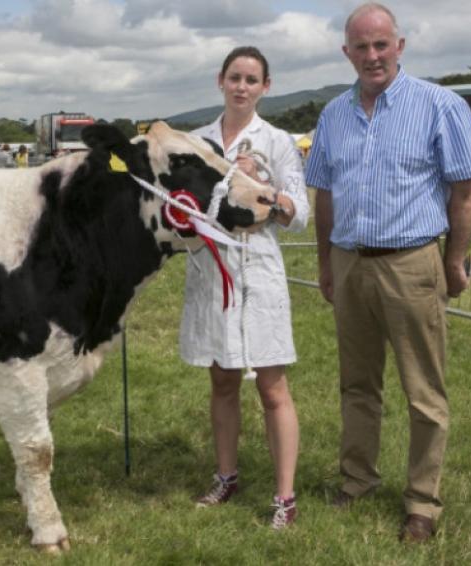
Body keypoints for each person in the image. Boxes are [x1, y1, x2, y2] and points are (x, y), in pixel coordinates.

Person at [305, 3, 471, 543]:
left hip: (411, 263)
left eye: (381, 44)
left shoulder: (440, 105)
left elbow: (466, 187)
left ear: (399, 46)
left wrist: (453, 259)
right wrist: (325, 263)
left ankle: (423, 502)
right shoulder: (333, 114)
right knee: (357, 383)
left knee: (423, 389)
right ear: (346, 53)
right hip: (350, 261)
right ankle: (357, 478)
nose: (372, 55)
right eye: (361, 46)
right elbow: (324, 194)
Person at [179, 46, 309, 529]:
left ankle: (285, 497)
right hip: (211, 270)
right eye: (235, 77)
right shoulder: (197, 142)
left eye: (252, 80)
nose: (242, 86)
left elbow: (300, 214)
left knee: (272, 387)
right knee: (222, 380)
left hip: (259, 270)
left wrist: (266, 192)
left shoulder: (276, 142)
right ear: (221, 80)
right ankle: (227, 475)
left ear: (265, 87)